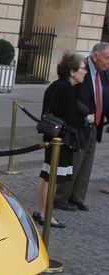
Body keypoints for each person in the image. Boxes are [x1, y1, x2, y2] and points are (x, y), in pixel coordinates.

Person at [33, 53, 93, 228]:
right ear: (72, 71)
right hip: (60, 139)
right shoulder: (65, 88)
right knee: (52, 178)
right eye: (83, 68)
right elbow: (71, 116)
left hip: (52, 136)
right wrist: (86, 119)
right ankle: (45, 214)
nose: (85, 72)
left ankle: (39, 211)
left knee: (46, 175)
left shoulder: (57, 85)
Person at [54, 42, 109, 212]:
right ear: (95, 57)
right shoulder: (80, 68)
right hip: (78, 124)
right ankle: (60, 198)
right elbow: (70, 98)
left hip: (95, 124)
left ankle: (77, 197)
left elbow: (105, 97)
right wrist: (80, 118)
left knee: (86, 163)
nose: (108, 62)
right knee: (74, 161)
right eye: (107, 58)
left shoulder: (104, 73)